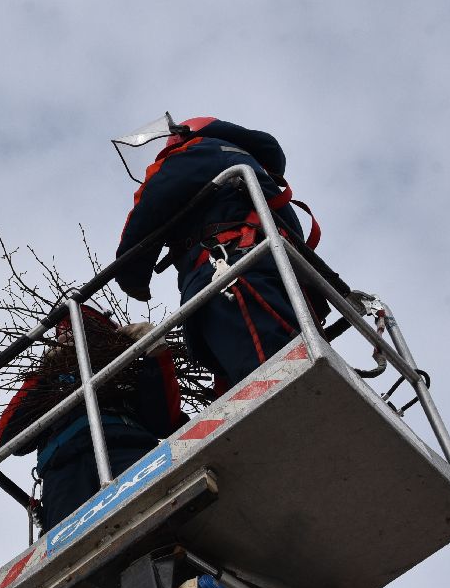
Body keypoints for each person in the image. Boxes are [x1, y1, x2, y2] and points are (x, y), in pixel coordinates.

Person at [114, 116, 318, 397]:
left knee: (271, 383)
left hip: (228, 275)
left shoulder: (197, 150)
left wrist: (130, 273)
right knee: (280, 367)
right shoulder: (246, 167)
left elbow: (152, 202)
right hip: (269, 275)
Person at [0, 306, 184, 532]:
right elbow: (9, 437)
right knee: (71, 553)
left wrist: (156, 352)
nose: (70, 338)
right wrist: (43, 375)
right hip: (64, 471)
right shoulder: (49, 388)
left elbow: (164, 421)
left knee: (161, 515)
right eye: (64, 333)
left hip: (126, 450)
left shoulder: (124, 372)